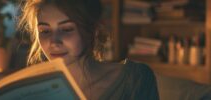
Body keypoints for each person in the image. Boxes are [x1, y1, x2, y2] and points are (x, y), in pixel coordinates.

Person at [19, 0, 159, 99]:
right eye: (44, 31)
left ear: (93, 30)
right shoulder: (35, 92)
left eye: (67, 29)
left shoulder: (135, 79)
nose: (54, 42)